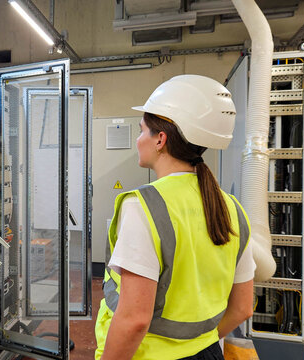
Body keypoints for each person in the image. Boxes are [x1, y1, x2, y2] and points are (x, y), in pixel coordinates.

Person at [95, 74, 255, 360]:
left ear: (160, 139)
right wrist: (196, 345)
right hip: (208, 353)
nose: (138, 139)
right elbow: (243, 308)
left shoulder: (143, 206)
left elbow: (134, 320)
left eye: (142, 130)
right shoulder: (231, 207)